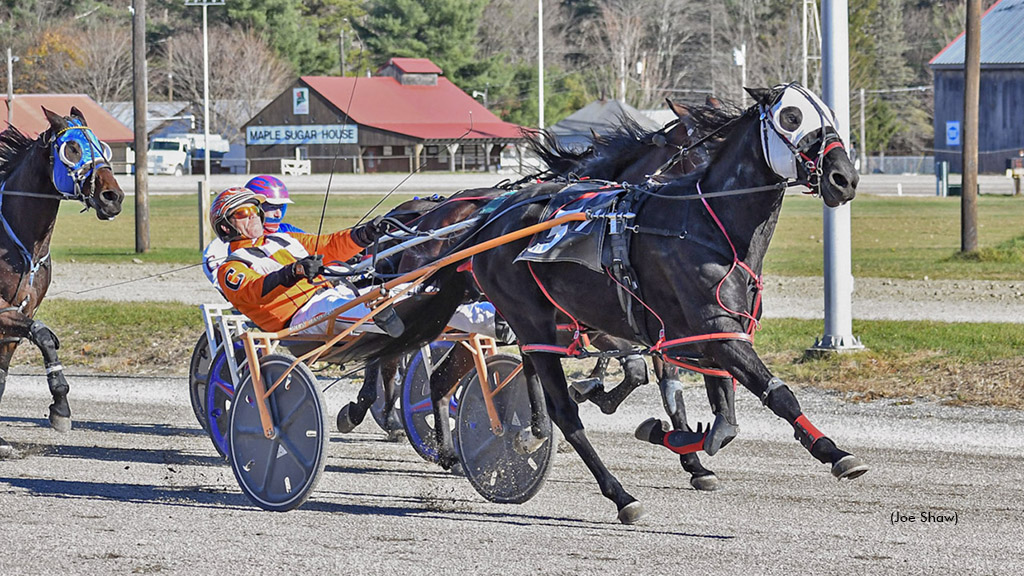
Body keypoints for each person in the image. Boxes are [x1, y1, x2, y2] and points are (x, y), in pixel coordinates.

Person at [209, 186, 505, 340]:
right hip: (301, 319)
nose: (254, 216)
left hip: (334, 297)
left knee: (419, 293)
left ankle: (495, 321)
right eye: (243, 213)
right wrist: (294, 271)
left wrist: (366, 233)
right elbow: (252, 291)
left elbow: (331, 245)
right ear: (225, 227)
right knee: (385, 304)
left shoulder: (284, 240)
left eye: (255, 209)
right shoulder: (230, 267)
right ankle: (386, 315)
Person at [201, 175, 303, 289]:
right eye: (272, 207)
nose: (278, 214)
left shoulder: (288, 231)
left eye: (281, 207)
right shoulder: (220, 249)